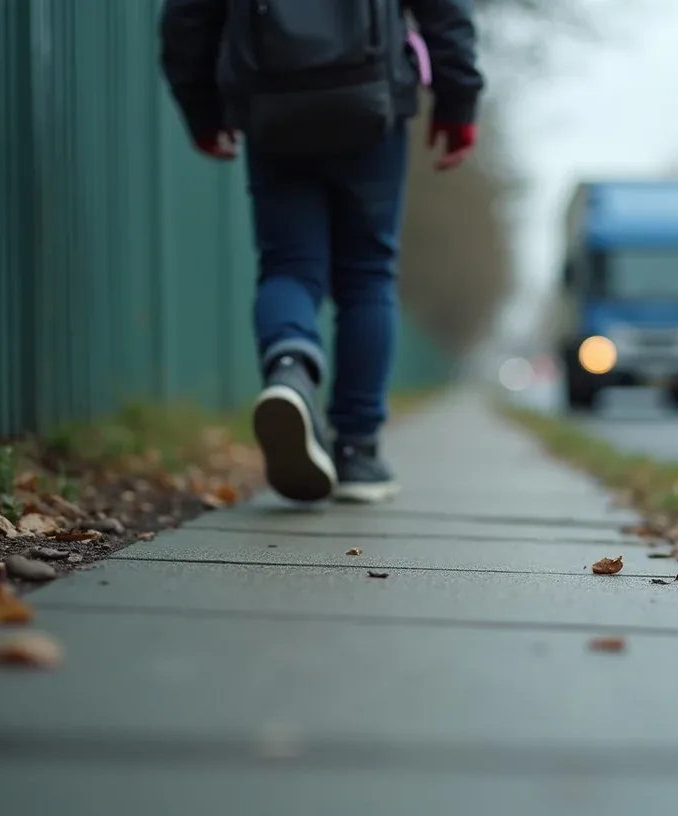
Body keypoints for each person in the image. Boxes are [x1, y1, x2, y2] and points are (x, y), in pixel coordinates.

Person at [158, 0, 483, 504]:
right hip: (371, 100)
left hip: (273, 105)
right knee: (368, 275)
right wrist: (457, 99)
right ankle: (357, 451)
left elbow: (188, 15)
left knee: (288, 266)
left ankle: (290, 368)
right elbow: (444, 11)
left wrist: (201, 107)